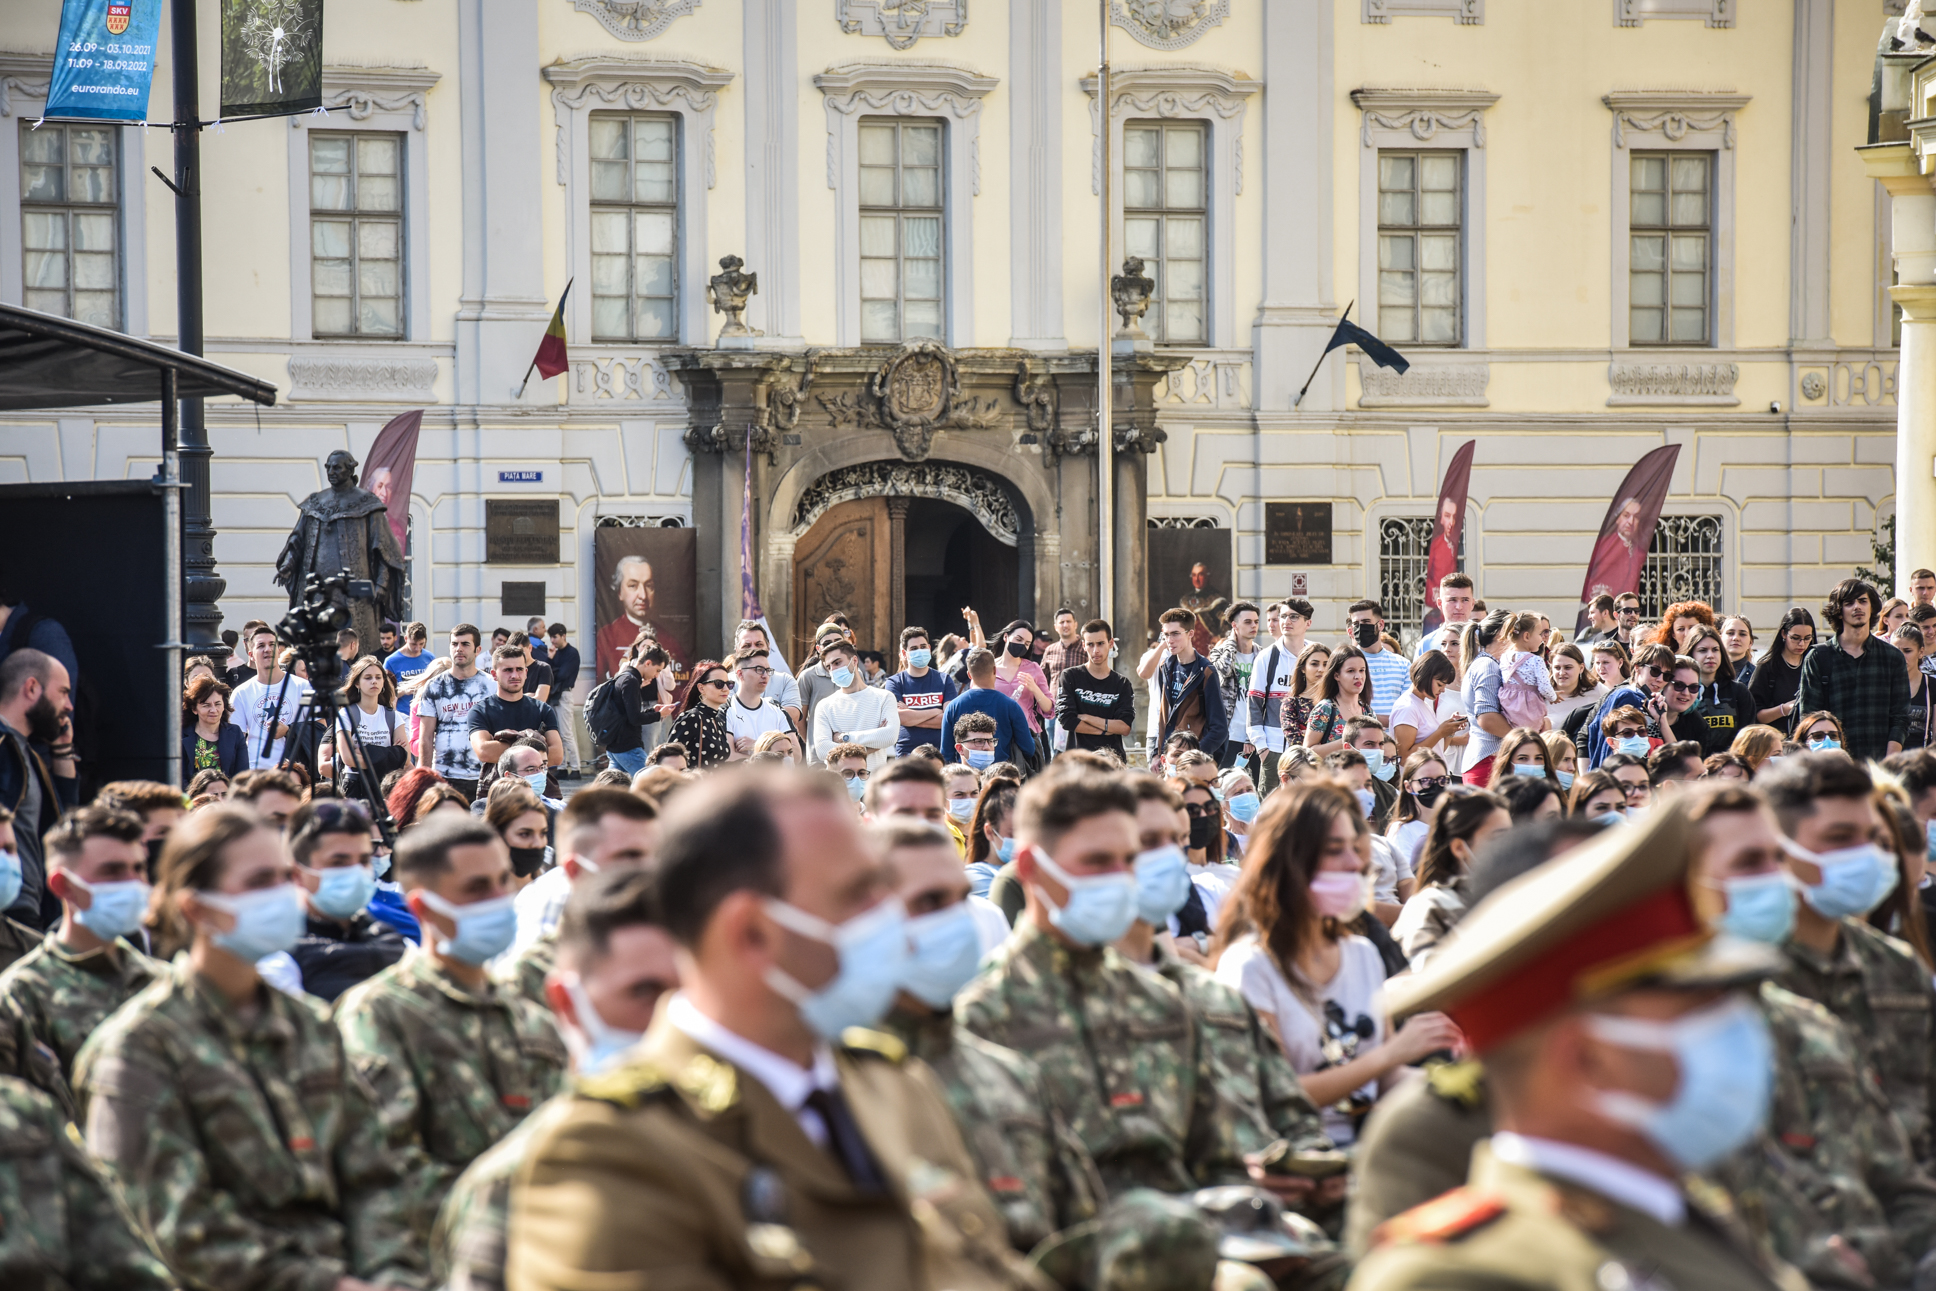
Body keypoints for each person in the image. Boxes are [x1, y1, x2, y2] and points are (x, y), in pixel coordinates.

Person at [505, 765, 1030, 1291]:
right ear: (753, 933)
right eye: (856, 893)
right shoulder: (609, 1154)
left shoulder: (894, 1083)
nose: (890, 915)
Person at [1350, 799, 1802, 1291]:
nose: (1736, 1028)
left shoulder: (1684, 1212)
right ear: (1588, 1058)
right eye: (1698, 1011)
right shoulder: (1454, 1275)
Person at [73, 805, 423, 1290]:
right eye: (260, 881)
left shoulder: (311, 1027)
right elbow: (175, 1224)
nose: (282, 894)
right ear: (196, 906)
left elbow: (374, 1176)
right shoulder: (138, 1048)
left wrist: (392, 1276)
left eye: (284, 877)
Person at [957, 764, 1253, 1196]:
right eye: (1096, 861)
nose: (1119, 878)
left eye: (1128, 860)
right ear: (1032, 868)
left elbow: (1219, 1155)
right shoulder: (981, 1020)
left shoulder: (1160, 1001)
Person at [433, 866, 680, 1291]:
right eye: (643, 992)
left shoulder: (754, 1139)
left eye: (686, 991)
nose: (671, 1015)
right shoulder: (522, 1183)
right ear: (566, 1003)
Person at [870, 817, 1103, 1252]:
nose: (955, 920)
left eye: (960, 899)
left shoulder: (1011, 1076)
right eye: (929, 901)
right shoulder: (828, 1083)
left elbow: (1082, 1236)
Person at [336, 814, 567, 1239]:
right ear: (422, 906)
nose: (499, 897)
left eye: (502, 880)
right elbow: (388, 1163)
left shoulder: (526, 1014)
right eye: (477, 888)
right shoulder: (379, 1013)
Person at [1213, 780, 1461, 1149]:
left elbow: (1388, 1078)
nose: (1355, 863)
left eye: (1354, 849)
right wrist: (1389, 1055)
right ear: (1290, 861)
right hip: (1301, 1161)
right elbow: (1278, 1095)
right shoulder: (1250, 966)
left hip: (1371, 1152)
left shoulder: (1361, 954)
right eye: (1335, 850)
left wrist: (1459, 1080)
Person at [1760, 753, 1936, 1163]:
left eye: (1873, 838)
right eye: (1840, 837)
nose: (1866, 855)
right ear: (1780, 847)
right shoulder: (1745, 979)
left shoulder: (1898, 967)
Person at [0, 805, 160, 1120]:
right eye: (112, 871)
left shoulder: (165, 985)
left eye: (139, 869)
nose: (133, 883)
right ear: (63, 885)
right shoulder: (18, 998)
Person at [272, 797, 408, 1002]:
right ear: (297, 874)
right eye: (338, 862)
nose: (355, 872)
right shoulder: (280, 959)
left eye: (363, 860)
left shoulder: (393, 939)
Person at [1392, 786, 1509, 968]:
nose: (1507, 846)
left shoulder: (1508, 894)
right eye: (1497, 839)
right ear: (1459, 848)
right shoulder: (1427, 907)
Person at [1800, 578, 1910, 761]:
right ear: (1839, 611)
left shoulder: (1892, 657)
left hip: (1880, 765)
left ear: (1872, 608)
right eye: (1849, 603)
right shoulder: (1818, 657)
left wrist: (1890, 761)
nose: (1857, 607)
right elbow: (1809, 719)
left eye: (1862, 601)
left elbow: (1900, 717)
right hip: (1834, 766)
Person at [420, 625, 495, 801]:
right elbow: (426, 737)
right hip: (444, 776)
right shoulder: (435, 686)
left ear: (478, 650)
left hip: (484, 776)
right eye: (454, 644)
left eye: (465, 644)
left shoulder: (491, 685)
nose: (459, 649)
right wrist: (423, 778)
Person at [1246, 599, 1314, 795]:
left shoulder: (1316, 655)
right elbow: (1254, 705)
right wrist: (1262, 749)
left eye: (1294, 616)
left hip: (1310, 749)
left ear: (1307, 623)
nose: (1286, 621)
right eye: (1283, 616)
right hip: (1274, 748)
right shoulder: (1267, 657)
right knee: (1269, 806)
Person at [1148, 607, 1228, 767]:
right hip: (1169, 756)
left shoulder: (1205, 671)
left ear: (1190, 633)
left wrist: (1195, 756)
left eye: (1175, 633)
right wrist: (1156, 754)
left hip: (1193, 759)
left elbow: (1219, 729)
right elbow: (1162, 715)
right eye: (1166, 634)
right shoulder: (1166, 666)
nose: (1170, 640)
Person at [468, 645, 565, 777]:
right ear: (494, 674)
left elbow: (557, 755)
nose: (515, 675)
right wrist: (537, 745)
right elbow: (484, 752)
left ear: (526, 672)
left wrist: (503, 744)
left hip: (538, 791)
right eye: (508, 670)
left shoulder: (543, 709)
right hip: (497, 789)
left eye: (519, 669)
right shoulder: (480, 711)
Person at [230, 624, 313, 772]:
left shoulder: (303, 687)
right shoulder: (241, 693)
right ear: (251, 655)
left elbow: (320, 729)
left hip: (296, 773)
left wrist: (288, 730)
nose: (267, 649)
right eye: (261, 646)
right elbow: (237, 742)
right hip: (257, 773)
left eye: (272, 644)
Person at [809, 639, 900, 771]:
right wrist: (871, 746)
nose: (833, 670)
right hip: (839, 786)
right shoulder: (824, 706)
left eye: (837, 662)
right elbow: (823, 750)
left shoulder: (884, 698)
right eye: (829, 667)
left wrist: (845, 737)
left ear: (855, 661)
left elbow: (889, 736)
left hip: (874, 785)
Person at [1055, 618, 1136, 762]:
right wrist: (1106, 730)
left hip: (1112, 762)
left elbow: (1124, 727)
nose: (1096, 650)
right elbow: (1067, 720)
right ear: (1083, 646)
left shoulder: (1122, 683)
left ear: (1111, 643)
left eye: (1100, 644)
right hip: (1078, 762)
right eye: (1090, 644)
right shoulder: (1070, 676)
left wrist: (1087, 718)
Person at [595, 554, 687, 681]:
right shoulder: (607, 635)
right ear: (619, 592)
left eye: (649, 586)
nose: (643, 596)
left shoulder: (668, 638)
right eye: (633, 586)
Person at [1584, 641, 1674, 768]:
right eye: (1655, 671)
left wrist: (1662, 720)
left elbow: (1676, 755)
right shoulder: (1628, 697)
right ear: (1637, 668)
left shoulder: (1652, 702)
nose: (1660, 679)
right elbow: (1605, 744)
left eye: (1667, 675)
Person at [334, 655, 408, 805]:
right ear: (357, 683)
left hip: (386, 788)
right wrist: (390, 755)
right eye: (368, 677)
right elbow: (348, 758)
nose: (374, 681)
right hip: (356, 786)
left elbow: (404, 757)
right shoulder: (346, 714)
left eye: (378, 677)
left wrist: (367, 753)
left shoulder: (392, 716)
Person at [942, 650, 1037, 767]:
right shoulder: (1010, 706)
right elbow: (1028, 748)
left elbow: (946, 754)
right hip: (1000, 776)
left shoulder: (953, 706)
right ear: (995, 670)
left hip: (966, 775)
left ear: (969, 675)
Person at [1682, 624, 1759, 757]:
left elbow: (1747, 738)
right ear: (1690, 654)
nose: (1710, 655)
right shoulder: (1681, 692)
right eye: (1703, 650)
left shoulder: (1739, 692)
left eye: (1715, 650)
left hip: (1730, 769)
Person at [883, 626, 958, 757]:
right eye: (914, 648)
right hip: (907, 754)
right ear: (905, 654)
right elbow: (900, 717)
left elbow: (948, 720)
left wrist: (912, 717)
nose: (920, 651)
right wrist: (936, 711)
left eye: (923, 646)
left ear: (929, 648)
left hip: (940, 754)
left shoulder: (944, 680)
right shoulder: (894, 682)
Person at [1456, 612, 1513, 785]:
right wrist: (1522, 739)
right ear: (1501, 635)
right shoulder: (1487, 666)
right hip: (1488, 762)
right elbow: (1487, 718)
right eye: (1515, 632)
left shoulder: (1485, 663)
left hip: (1488, 760)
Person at [1388, 650, 1466, 770]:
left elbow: (1437, 751)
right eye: (1440, 684)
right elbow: (1404, 758)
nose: (1443, 690)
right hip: (1421, 783)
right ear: (1426, 676)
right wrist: (1440, 732)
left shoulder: (1423, 704)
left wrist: (1450, 731)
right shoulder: (1407, 707)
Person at [990, 620, 1054, 762]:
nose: (1021, 645)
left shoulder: (1034, 668)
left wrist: (1034, 688)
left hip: (1027, 737)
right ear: (1006, 637)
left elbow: (1049, 709)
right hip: (994, 737)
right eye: (1018, 639)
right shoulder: (989, 667)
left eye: (1026, 643)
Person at [1209, 601, 1262, 766]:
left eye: (1256, 621)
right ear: (1234, 625)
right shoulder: (1220, 652)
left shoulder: (1263, 656)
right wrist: (1231, 643)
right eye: (1247, 622)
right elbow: (1222, 673)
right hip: (1228, 735)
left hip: (1256, 737)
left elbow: (1264, 701)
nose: (1253, 626)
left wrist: (1251, 736)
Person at [1749, 608, 1816, 734]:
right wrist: (1784, 709)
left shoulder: (1814, 664)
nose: (1802, 644)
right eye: (1795, 638)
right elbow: (1754, 713)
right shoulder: (1767, 667)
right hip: (1776, 742)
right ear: (1784, 634)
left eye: (1807, 638)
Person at [722, 644, 791, 762]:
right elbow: (729, 757)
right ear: (740, 674)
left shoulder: (776, 709)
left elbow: (796, 754)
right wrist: (774, 755)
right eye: (759, 670)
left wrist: (756, 745)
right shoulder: (726, 709)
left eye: (768, 670)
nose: (765, 675)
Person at [181, 674, 250, 786]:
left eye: (218, 704)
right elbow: (179, 777)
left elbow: (242, 776)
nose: (213, 710)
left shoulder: (235, 733)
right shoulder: (181, 735)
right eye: (206, 705)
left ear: (224, 706)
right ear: (194, 709)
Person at [1304, 645, 1370, 760]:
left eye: (1362, 670)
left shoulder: (1368, 712)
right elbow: (1307, 752)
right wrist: (1348, 741)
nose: (1358, 676)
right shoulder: (1325, 709)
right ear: (1336, 675)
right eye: (1351, 671)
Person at [1348, 600, 1410, 721]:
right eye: (1356, 624)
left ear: (1380, 625)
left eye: (1366, 622)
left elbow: (1408, 709)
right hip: (1358, 736)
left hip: (1395, 738)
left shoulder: (1403, 664)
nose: (1361, 628)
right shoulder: (1345, 663)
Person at [1278, 642, 1333, 755]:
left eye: (1325, 664)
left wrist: (1309, 735)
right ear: (1303, 668)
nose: (1321, 669)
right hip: (1304, 765)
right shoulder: (1291, 703)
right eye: (1314, 664)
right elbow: (1296, 743)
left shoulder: (1336, 701)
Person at [1417, 574, 1476, 661]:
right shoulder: (1426, 645)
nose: (1459, 607)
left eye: (1465, 600)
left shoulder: (1485, 641)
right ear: (1440, 603)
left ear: (1472, 603)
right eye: (1452, 600)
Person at [384, 621, 435, 720]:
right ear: (406, 639)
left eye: (422, 644)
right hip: (403, 715)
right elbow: (384, 693)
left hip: (426, 713)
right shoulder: (391, 661)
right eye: (413, 644)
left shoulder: (430, 657)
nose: (418, 648)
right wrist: (403, 691)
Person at [1897, 625, 1936, 752]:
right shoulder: (1882, 685)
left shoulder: (1932, 685)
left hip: (1922, 759)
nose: (1901, 656)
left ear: (1920, 652)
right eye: (1896, 650)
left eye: (1907, 651)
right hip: (1889, 760)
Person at [1038, 607, 1083, 693]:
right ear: (1055, 627)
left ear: (1075, 625)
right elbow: (1041, 679)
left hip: (1079, 703)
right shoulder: (1050, 650)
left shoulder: (1085, 648)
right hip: (1055, 703)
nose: (1065, 625)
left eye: (1068, 621)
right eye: (1062, 622)